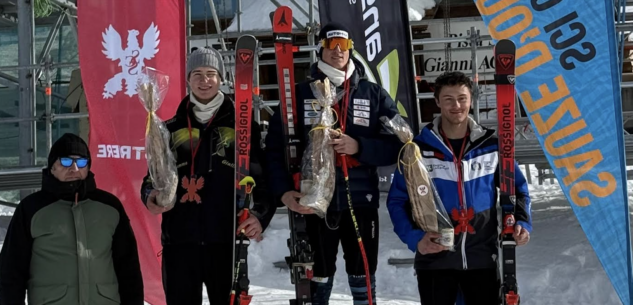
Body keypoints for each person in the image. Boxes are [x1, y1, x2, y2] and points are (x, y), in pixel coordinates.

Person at [265, 23, 402, 304]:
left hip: (359, 202)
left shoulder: (372, 94)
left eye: (343, 45)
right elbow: (274, 150)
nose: (338, 51)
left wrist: (359, 147)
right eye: (331, 45)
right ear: (320, 49)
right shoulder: (300, 94)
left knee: (363, 275)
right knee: (317, 279)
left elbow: (399, 144)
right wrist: (283, 193)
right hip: (313, 202)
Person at [140, 47, 274, 305]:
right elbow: (151, 179)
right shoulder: (169, 128)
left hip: (226, 242)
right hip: (180, 242)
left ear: (221, 79)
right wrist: (151, 196)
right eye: (197, 74)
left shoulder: (243, 127)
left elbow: (262, 180)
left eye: (211, 74)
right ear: (188, 79)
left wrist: (260, 215)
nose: (204, 80)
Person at [386, 71, 532, 305]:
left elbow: (518, 190)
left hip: (481, 259)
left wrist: (522, 223)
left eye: (462, 98)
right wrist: (416, 239)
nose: (457, 105)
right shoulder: (417, 151)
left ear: (471, 100)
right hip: (435, 260)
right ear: (437, 102)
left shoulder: (491, 147)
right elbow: (397, 202)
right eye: (449, 99)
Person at [0, 133, 144, 305]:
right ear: (52, 167)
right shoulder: (31, 209)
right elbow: (10, 272)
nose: (74, 168)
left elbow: (129, 270)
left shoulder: (110, 207)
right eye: (66, 161)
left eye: (81, 162)